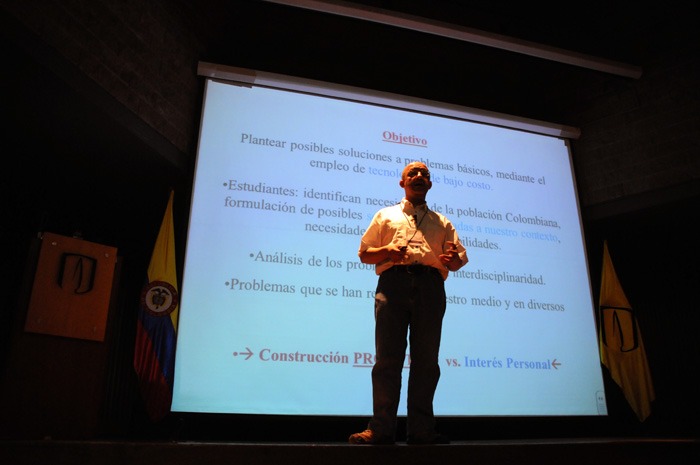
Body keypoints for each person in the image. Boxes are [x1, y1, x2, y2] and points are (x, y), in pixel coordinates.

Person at [349, 161, 468, 445]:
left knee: (427, 362)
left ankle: (421, 431)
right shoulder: (385, 215)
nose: (419, 176)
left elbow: (458, 259)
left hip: (430, 286)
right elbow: (365, 254)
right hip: (393, 285)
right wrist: (387, 250)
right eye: (412, 174)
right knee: (387, 360)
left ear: (429, 184)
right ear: (402, 183)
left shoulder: (443, 222)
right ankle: (380, 429)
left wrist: (454, 262)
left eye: (424, 174)